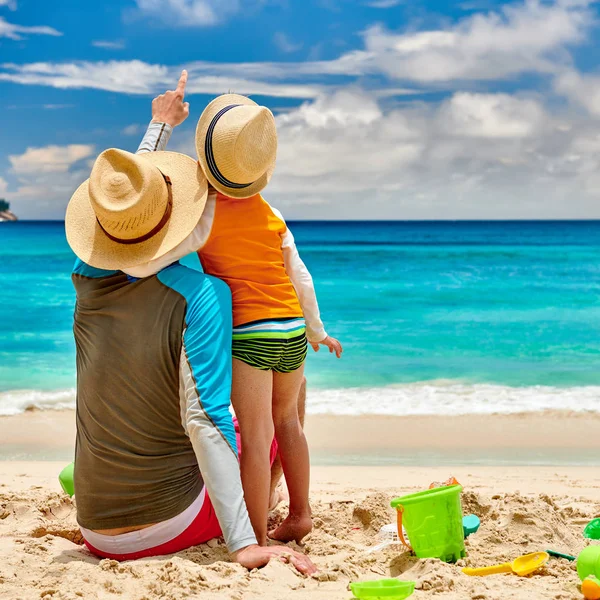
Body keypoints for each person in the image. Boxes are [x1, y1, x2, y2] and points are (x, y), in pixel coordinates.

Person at [63, 72, 315, 574]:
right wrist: (243, 545)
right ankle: (273, 519)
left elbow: (125, 202)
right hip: (169, 524)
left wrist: (159, 125)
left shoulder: (84, 278)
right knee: (269, 413)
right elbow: (205, 422)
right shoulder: (202, 295)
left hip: (93, 528)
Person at [126, 74, 343, 546]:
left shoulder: (204, 215)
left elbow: (161, 254)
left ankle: (259, 536)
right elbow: (300, 275)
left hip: (250, 336)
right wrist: (317, 330)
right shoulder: (271, 213)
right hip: (290, 332)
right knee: (289, 423)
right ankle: (301, 514)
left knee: (258, 435)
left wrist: (139, 265)